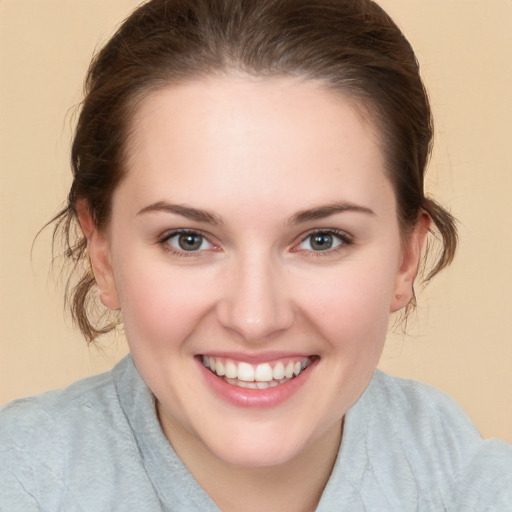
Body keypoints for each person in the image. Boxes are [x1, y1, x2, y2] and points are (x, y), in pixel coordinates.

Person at [1, 0, 511, 510]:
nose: (254, 318)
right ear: (103, 252)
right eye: (188, 239)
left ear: (406, 258)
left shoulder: (468, 483)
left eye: (322, 239)